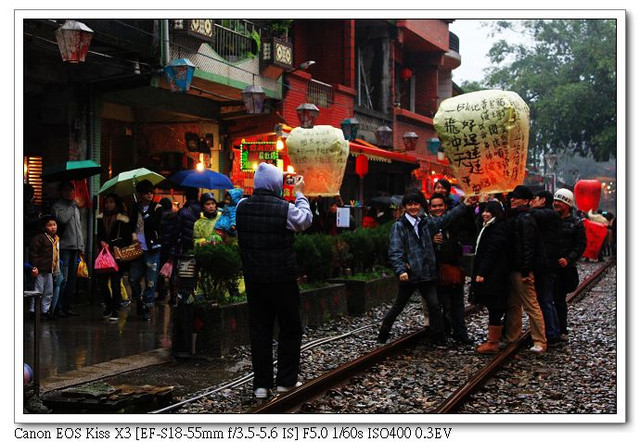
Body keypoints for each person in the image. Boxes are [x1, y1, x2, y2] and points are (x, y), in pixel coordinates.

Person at [235, 163, 312, 399]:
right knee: (290, 328)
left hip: (254, 279)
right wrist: (300, 193)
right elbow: (305, 220)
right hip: (282, 278)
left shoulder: (241, 206)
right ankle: (285, 382)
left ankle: (261, 385)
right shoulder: (285, 208)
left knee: (260, 330)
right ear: (277, 184)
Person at [377, 189, 477, 347]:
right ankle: (383, 333)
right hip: (409, 274)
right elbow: (395, 250)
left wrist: (463, 205)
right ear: (404, 207)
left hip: (426, 274)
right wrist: (400, 270)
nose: (413, 207)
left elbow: (445, 219)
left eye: (416, 204)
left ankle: (438, 338)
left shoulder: (424, 222)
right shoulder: (399, 225)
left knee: (435, 306)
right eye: (409, 204)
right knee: (398, 306)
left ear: (421, 205)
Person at [504, 185, 547, 354]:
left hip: (520, 268)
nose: (512, 199)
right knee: (513, 304)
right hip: (515, 267)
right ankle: (512, 337)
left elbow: (528, 246)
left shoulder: (525, 218)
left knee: (530, 304)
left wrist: (525, 270)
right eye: (512, 197)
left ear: (527, 201)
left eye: (517, 197)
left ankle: (539, 340)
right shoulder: (518, 216)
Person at [428, 193, 471, 345]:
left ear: (446, 206)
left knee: (457, 303)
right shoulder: (427, 223)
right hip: (435, 270)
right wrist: (431, 241)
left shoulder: (455, 222)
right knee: (437, 304)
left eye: (440, 205)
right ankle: (440, 334)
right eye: (434, 206)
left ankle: (460, 333)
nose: (437, 208)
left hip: (453, 267)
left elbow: (469, 230)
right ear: (429, 208)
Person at [471, 201, 509, 354]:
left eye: (489, 211)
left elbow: (491, 252)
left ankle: (493, 342)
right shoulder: (489, 226)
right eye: (483, 211)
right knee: (494, 305)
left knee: (495, 306)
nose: (485, 214)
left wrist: (482, 273)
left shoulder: (497, 228)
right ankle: (494, 339)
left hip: (494, 275)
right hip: (494, 273)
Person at [552, 188, 586, 341]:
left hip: (564, 269)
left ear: (568, 204)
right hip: (549, 266)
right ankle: (550, 329)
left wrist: (568, 259)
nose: (556, 204)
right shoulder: (549, 219)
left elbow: (580, 245)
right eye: (555, 200)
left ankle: (561, 329)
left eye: (560, 201)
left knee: (559, 299)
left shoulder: (576, 223)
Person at [530, 190, 563, 345]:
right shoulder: (550, 215)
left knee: (545, 300)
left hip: (546, 265)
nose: (531, 201)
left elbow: (534, 215)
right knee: (545, 299)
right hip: (547, 263)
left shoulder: (549, 215)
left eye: (534, 198)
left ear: (542, 200)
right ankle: (552, 331)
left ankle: (551, 333)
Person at [128, 179, 163, 321]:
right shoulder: (134, 207)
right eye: (146, 193)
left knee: (151, 280)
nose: (150, 195)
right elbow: (130, 226)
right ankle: (139, 300)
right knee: (133, 278)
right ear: (140, 194)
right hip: (136, 247)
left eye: (151, 192)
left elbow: (156, 225)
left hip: (152, 248)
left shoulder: (157, 207)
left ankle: (147, 307)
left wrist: (146, 215)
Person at [51, 181, 84, 318]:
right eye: (65, 190)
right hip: (64, 247)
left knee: (71, 279)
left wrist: (81, 245)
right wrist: (73, 206)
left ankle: (67, 306)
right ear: (60, 192)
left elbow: (78, 228)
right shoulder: (57, 206)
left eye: (70, 190)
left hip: (75, 247)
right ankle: (57, 307)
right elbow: (63, 219)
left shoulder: (74, 207)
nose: (68, 192)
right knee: (62, 279)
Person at [96, 193, 131, 321]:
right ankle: (109, 306)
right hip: (104, 255)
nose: (108, 205)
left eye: (111, 202)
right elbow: (99, 235)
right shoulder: (100, 218)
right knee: (103, 283)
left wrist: (111, 243)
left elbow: (126, 238)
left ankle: (116, 308)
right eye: (107, 202)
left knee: (116, 283)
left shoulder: (123, 219)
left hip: (117, 255)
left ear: (116, 204)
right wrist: (101, 242)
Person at [28, 215, 60, 320]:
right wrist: (34, 266)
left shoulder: (55, 239)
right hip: (40, 269)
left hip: (49, 269)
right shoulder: (40, 238)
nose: (53, 227)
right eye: (49, 225)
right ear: (44, 227)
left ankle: (44, 311)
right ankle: (33, 311)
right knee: (38, 291)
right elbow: (33, 253)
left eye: (54, 225)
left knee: (49, 292)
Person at [157, 197, 181, 304]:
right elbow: (177, 233)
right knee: (172, 273)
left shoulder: (158, 218)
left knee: (160, 272)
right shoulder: (176, 217)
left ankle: (161, 293)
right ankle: (173, 297)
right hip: (172, 248)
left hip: (161, 248)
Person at [177, 187, 201, 254]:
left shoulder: (182, 211)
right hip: (202, 244)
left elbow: (177, 231)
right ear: (197, 195)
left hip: (186, 244)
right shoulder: (204, 209)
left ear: (186, 196)